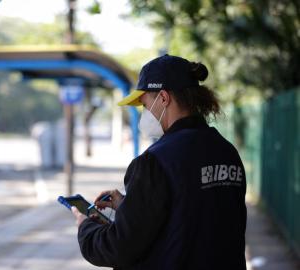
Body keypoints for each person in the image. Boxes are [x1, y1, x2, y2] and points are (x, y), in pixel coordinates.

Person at [71, 54, 247, 270]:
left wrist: (86, 228)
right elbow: (189, 213)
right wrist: (128, 205)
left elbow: (119, 248)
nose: (144, 114)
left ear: (163, 98)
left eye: (145, 105)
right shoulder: (226, 152)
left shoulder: (154, 162)